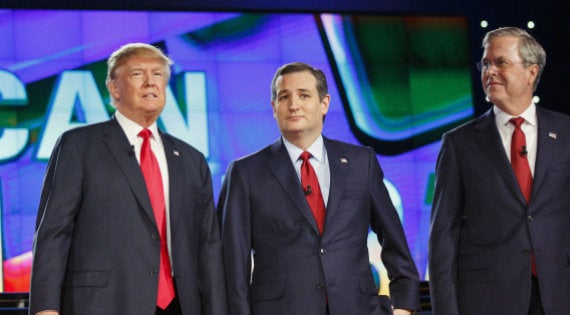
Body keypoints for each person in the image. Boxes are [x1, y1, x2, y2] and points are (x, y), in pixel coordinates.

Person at [428, 27, 570, 314]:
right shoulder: (458, 143)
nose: (490, 71)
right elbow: (442, 236)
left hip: (558, 295)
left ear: (532, 72)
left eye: (500, 62)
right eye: (485, 63)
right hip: (484, 299)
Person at [29, 43, 227, 315]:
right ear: (113, 87)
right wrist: (45, 307)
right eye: (137, 74)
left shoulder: (192, 159)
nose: (150, 82)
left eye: (158, 74)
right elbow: (54, 233)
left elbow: (209, 248)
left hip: (180, 305)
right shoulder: (79, 145)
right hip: (103, 304)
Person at [218, 62, 421, 315]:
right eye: (284, 97)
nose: (294, 104)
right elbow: (231, 267)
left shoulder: (361, 162)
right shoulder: (245, 173)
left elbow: (395, 241)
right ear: (274, 108)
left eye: (304, 95)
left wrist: (405, 306)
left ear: (324, 103)